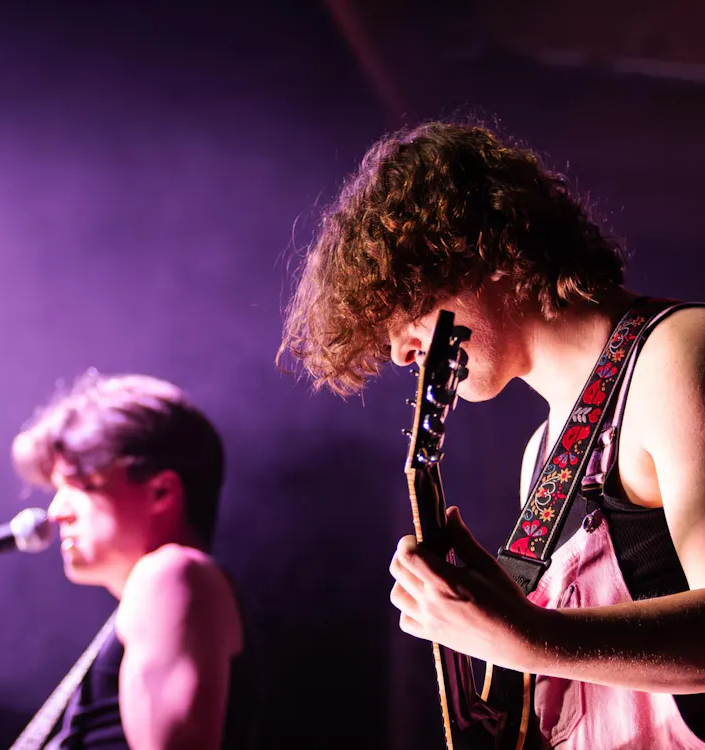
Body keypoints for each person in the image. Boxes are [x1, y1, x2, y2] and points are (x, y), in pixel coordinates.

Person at [278, 120, 705, 748]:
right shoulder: (543, 454)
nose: (400, 352)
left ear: (486, 250)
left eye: (405, 304)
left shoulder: (676, 353)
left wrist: (525, 638)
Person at [9, 371, 254, 750]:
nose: (56, 512)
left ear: (161, 491)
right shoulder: (158, 598)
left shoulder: (170, 573)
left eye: (78, 486)